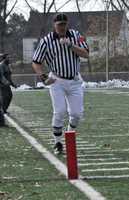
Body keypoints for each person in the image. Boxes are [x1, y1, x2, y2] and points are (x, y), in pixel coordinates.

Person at [32, 13, 89, 155]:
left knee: (76, 113)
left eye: (64, 24)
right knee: (59, 112)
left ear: (67, 24)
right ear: (54, 25)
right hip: (57, 80)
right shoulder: (46, 40)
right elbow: (36, 62)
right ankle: (57, 142)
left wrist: (71, 45)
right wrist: (43, 76)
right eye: (59, 25)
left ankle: (69, 133)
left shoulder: (76, 35)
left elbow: (86, 53)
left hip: (75, 80)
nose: (62, 27)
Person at [0, 53, 17, 126]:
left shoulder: (7, 66)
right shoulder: (1, 65)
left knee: (9, 96)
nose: (9, 59)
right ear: (4, 58)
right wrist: (6, 82)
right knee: (5, 97)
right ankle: (3, 111)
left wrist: (13, 84)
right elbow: (1, 76)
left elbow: (9, 77)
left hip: (7, 85)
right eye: (8, 58)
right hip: (2, 85)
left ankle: (4, 110)